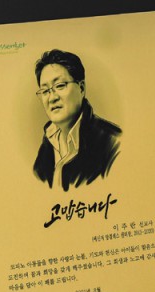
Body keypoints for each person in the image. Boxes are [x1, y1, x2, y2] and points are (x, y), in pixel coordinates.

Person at [33, 49, 122, 191]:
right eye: (45, 91)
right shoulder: (47, 143)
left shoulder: (112, 142)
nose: (52, 98)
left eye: (60, 86)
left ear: (81, 88)